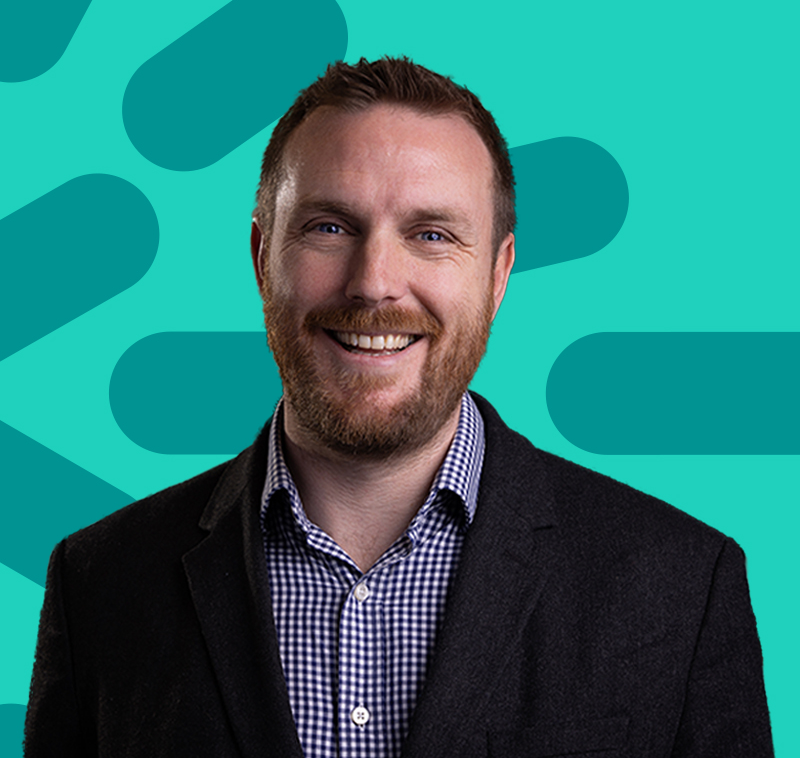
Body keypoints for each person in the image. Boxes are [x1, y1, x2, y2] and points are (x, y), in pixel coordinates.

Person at [25, 57, 773, 757]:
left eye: (431, 234)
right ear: (262, 259)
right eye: (329, 227)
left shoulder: (680, 586)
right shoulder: (100, 585)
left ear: (498, 276)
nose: (374, 282)